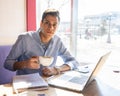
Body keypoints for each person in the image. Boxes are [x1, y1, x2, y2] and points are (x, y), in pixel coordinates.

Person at [4, 9, 79, 76]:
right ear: (41, 23)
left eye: (54, 24)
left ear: (58, 26)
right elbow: (7, 64)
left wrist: (57, 69)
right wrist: (25, 64)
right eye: (47, 23)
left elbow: (73, 62)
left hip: (49, 84)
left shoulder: (58, 41)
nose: (51, 28)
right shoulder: (25, 38)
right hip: (26, 85)